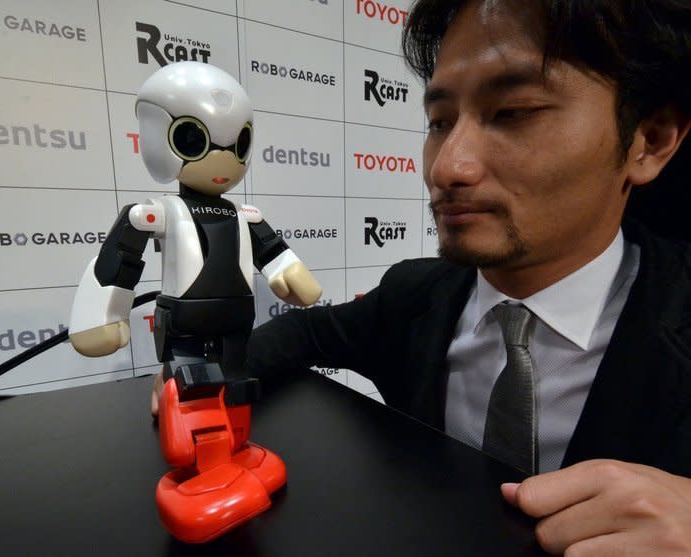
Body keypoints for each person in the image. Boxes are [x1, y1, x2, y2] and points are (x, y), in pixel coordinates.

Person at [154, 0, 691, 553]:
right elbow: (306, 333)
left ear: (649, 140)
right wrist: (204, 385)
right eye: (439, 122)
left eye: (514, 111)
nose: (446, 168)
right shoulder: (414, 294)